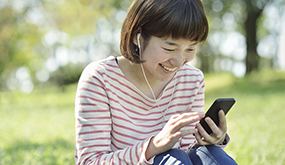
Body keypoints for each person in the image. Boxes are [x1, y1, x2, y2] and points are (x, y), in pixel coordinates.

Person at [75, 0, 237, 164]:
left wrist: (211, 140)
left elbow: (189, 154)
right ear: (136, 37)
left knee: (210, 154)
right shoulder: (100, 79)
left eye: (190, 49)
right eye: (169, 49)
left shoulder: (192, 79)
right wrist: (152, 147)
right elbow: (89, 161)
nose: (179, 61)